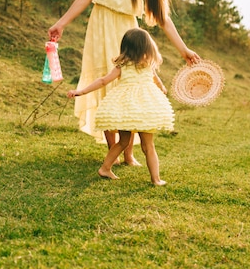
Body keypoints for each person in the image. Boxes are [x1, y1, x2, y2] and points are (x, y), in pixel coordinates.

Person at [48, 0, 199, 165]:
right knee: (106, 89)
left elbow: (163, 19)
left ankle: (129, 153)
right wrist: (61, 23)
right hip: (100, 32)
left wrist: (184, 50)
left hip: (128, 37)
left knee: (128, 91)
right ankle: (114, 152)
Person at [67, 28, 173, 185]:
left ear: (126, 47)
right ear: (147, 47)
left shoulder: (122, 66)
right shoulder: (147, 65)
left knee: (123, 141)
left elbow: (103, 81)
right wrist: (163, 90)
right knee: (148, 145)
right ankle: (155, 179)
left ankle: (105, 168)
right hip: (144, 110)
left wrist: (81, 91)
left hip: (126, 109)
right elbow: (157, 82)